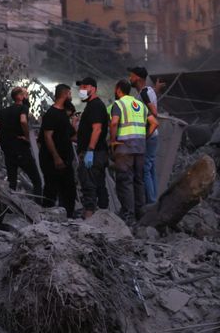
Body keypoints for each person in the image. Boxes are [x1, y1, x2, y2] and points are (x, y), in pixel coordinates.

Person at [109, 79, 159, 224]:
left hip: (124, 149)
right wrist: (144, 137)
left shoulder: (118, 104)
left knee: (125, 181)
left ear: (118, 90)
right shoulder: (140, 105)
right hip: (140, 148)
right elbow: (155, 123)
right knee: (139, 180)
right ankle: (140, 213)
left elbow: (113, 123)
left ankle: (128, 215)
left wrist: (113, 141)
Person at [0, 87, 42, 201]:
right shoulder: (23, 108)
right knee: (36, 180)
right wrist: (26, 137)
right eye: (26, 94)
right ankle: (38, 208)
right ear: (19, 96)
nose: (28, 96)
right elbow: (23, 120)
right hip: (21, 149)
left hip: (8, 150)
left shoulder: (4, 111)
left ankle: (9, 207)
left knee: (12, 182)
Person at [38, 84, 77, 216]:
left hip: (65, 160)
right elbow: (47, 136)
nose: (71, 97)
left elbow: (71, 136)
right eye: (70, 94)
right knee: (51, 189)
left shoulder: (63, 114)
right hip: (52, 161)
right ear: (65, 94)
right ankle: (47, 216)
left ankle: (68, 216)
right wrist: (56, 157)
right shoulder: (51, 114)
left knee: (69, 190)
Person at [75, 77, 109, 219]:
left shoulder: (95, 106)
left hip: (94, 154)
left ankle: (89, 219)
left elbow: (97, 129)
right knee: (99, 185)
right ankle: (104, 218)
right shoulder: (93, 106)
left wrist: (89, 151)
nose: (81, 90)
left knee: (89, 186)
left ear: (93, 89)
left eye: (84, 87)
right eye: (80, 87)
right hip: (97, 153)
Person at [128, 66, 160, 204]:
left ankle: (151, 202)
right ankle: (154, 200)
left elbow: (154, 112)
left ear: (138, 78)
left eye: (132, 76)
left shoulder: (143, 94)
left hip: (149, 135)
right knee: (150, 169)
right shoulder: (148, 91)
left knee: (144, 170)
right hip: (153, 135)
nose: (130, 78)